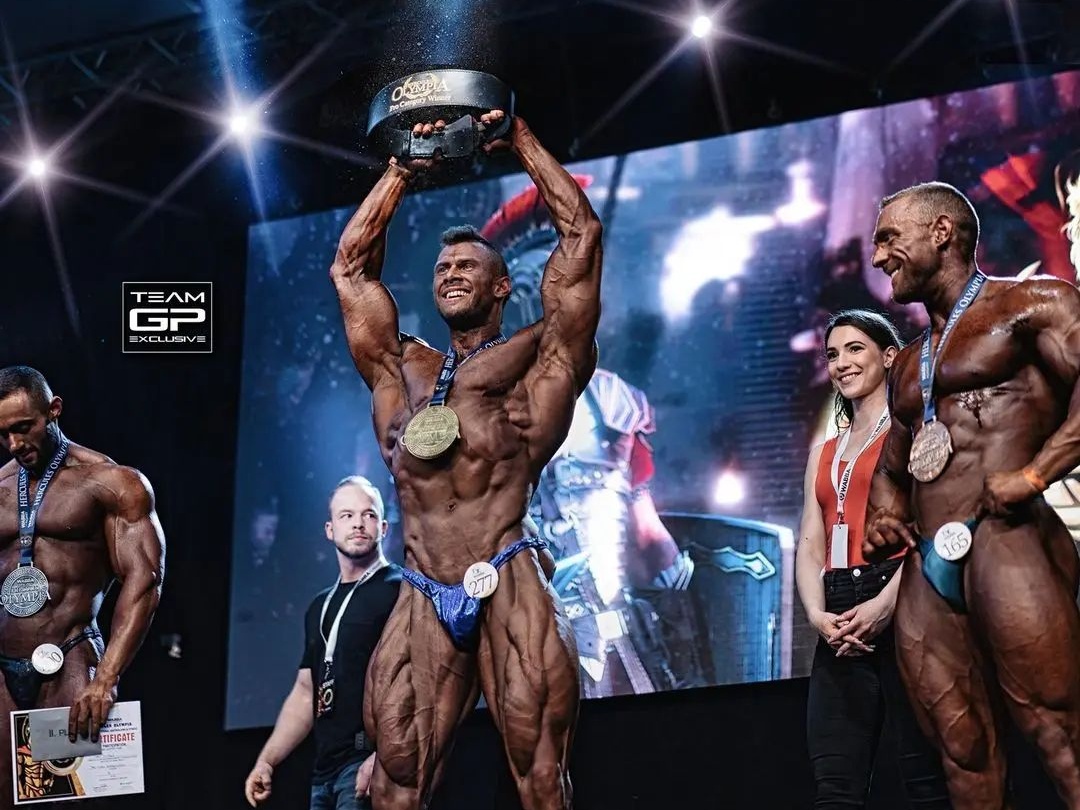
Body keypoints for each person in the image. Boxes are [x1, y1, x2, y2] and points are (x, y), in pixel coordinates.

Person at [329, 109, 601, 810]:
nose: (451, 273)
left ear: (502, 286)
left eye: (468, 266)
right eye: (443, 267)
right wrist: (399, 170)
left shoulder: (541, 361)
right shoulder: (401, 370)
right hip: (424, 584)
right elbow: (350, 269)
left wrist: (520, 140)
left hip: (506, 567)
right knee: (395, 777)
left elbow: (580, 237)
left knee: (540, 776)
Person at [862, 181, 1080, 809]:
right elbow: (894, 469)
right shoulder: (909, 363)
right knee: (964, 756)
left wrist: (1035, 474)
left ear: (941, 233)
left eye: (889, 239)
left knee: (1060, 735)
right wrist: (884, 515)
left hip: (1008, 535)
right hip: (929, 564)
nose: (878, 257)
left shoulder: (1035, 303)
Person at [797, 311, 951, 809]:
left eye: (855, 349)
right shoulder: (822, 453)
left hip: (904, 600)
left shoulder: (914, 433)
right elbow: (810, 543)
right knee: (834, 787)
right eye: (832, 354)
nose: (841, 362)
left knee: (926, 779)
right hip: (839, 618)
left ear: (888, 357)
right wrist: (818, 616)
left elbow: (932, 527)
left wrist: (886, 604)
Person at [0, 365, 165, 803]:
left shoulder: (110, 483)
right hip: (2, 667)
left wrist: (106, 677)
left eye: (23, 428)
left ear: (53, 410)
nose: (14, 444)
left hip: (68, 663)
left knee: (63, 797)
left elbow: (145, 579)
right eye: (3, 434)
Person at [245, 476, 399, 809]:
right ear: (330, 530)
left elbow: (419, 682)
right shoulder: (319, 606)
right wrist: (267, 761)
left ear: (384, 527)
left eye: (369, 514)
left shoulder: (400, 590)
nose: (358, 523)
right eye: (347, 515)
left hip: (369, 765)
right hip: (324, 773)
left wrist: (384, 757)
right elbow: (305, 692)